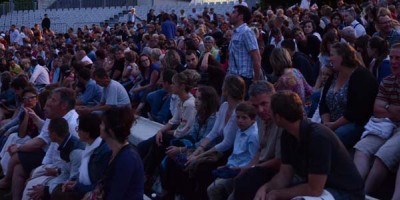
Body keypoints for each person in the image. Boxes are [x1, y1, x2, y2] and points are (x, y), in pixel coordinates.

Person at [254, 91, 365, 200]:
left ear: (277, 117)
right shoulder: (288, 135)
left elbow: (314, 190)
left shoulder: (318, 137)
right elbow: (284, 175)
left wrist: (277, 194)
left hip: (345, 192)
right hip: (324, 188)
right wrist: (265, 188)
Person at [0, 87, 79, 200]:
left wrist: (48, 173)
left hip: (60, 170)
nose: (48, 102)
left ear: (64, 105)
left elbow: (71, 164)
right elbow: (49, 144)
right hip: (51, 161)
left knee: (30, 183)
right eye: (50, 98)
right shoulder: (55, 117)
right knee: (19, 168)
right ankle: (14, 194)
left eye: (53, 100)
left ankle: (6, 181)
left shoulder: (69, 126)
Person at [139, 69, 200, 193]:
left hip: (183, 139)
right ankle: (145, 175)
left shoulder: (190, 104)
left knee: (157, 144)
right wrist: (161, 130)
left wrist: (167, 133)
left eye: (174, 83)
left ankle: (147, 176)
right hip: (176, 133)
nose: (171, 86)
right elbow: (174, 120)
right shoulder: (181, 101)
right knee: (148, 144)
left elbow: (186, 130)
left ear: (182, 86)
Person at [184, 75, 245, 199]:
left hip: (230, 153)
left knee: (203, 169)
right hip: (218, 149)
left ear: (228, 89)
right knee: (188, 161)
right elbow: (214, 132)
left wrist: (199, 156)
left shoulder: (238, 111)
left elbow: (227, 143)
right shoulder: (224, 106)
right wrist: (198, 150)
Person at [353, 43, 400, 196]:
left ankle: (364, 194)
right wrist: (390, 108)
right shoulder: (387, 81)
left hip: (394, 127)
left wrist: (386, 108)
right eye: (391, 57)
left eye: (398, 58)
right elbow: (376, 109)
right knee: (362, 148)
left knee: (383, 156)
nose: (393, 61)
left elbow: (381, 108)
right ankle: (355, 191)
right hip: (385, 124)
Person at [160, 86, 219, 199]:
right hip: (195, 147)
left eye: (200, 99)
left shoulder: (214, 118)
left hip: (206, 152)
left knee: (181, 161)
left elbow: (206, 142)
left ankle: (177, 194)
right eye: (196, 97)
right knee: (169, 149)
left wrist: (182, 149)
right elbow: (192, 135)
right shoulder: (199, 114)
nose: (196, 101)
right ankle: (169, 191)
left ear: (208, 101)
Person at [319, 42, 378, 148]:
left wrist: (334, 125)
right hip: (331, 123)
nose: (329, 59)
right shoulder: (334, 75)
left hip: (354, 123)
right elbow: (323, 103)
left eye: (332, 55)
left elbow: (356, 111)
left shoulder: (362, 76)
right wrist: (326, 123)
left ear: (343, 56)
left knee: (331, 139)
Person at [232, 81, 282, 200]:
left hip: (275, 172)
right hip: (261, 167)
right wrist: (247, 168)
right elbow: (261, 149)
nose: (260, 110)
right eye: (255, 106)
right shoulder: (260, 118)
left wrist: (252, 168)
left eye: (264, 104)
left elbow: (280, 161)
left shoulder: (281, 122)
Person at [50, 113, 111, 199]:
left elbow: (97, 183)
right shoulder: (89, 146)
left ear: (87, 134)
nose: (77, 131)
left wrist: (76, 186)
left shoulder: (102, 152)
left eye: (78, 129)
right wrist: (75, 183)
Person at [207, 102, 259, 200]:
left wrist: (239, 170)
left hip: (241, 173)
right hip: (231, 168)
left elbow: (253, 160)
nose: (239, 120)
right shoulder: (240, 130)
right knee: (212, 187)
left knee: (217, 190)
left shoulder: (253, 135)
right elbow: (236, 153)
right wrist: (226, 165)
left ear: (253, 119)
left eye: (244, 118)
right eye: (238, 117)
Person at [90, 106, 144, 200]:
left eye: (102, 124)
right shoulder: (110, 151)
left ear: (110, 131)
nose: (99, 126)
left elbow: (115, 195)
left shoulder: (127, 159)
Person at [23, 118, 84, 200]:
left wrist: (46, 190)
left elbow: (72, 182)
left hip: (72, 191)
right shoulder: (65, 144)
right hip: (62, 179)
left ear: (54, 134)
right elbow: (66, 171)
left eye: (49, 132)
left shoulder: (75, 152)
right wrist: (56, 172)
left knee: (31, 190)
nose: (48, 134)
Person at [228, 5, 261, 90]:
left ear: (241, 16)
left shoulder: (247, 32)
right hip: (233, 78)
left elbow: (256, 57)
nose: (230, 15)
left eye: (234, 12)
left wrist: (256, 80)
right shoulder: (235, 32)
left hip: (244, 79)